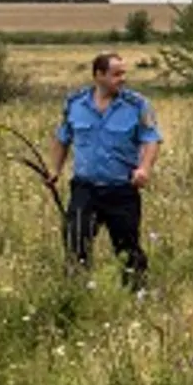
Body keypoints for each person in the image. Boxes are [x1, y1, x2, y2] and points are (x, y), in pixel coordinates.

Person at [47, 51, 162, 291]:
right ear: (98, 75)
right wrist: (54, 170)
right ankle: (76, 292)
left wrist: (144, 169)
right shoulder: (75, 104)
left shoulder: (137, 105)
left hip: (121, 189)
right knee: (75, 242)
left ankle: (137, 294)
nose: (122, 78)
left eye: (124, 73)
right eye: (116, 74)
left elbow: (151, 139)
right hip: (85, 189)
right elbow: (62, 138)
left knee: (127, 248)